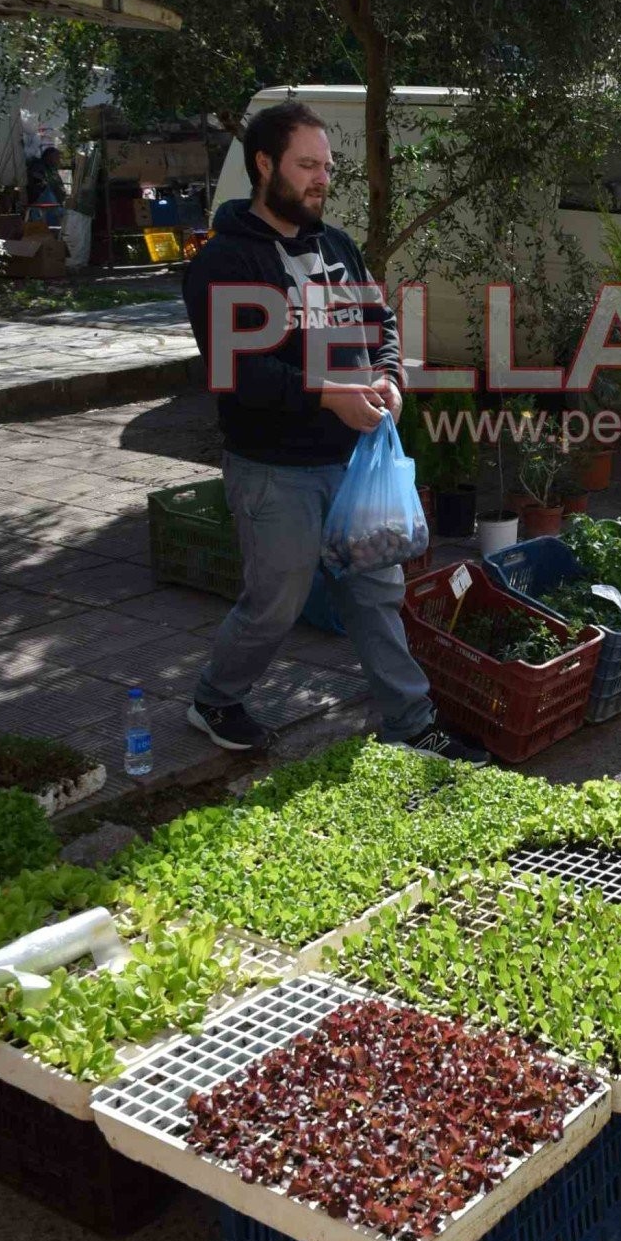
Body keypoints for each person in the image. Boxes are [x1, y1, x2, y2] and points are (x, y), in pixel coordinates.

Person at [182, 99, 486, 762]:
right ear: (264, 166)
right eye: (307, 164)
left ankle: (411, 722)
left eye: (327, 165)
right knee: (276, 603)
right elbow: (240, 376)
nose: (322, 178)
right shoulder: (222, 264)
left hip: (353, 464)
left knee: (377, 593)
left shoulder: (338, 246)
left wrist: (387, 378)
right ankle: (215, 697)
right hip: (273, 471)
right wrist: (330, 397)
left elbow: (380, 327)